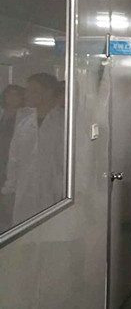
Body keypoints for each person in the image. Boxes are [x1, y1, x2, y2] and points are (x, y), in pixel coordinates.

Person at [2, 73, 65, 227]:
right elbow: (14, 160)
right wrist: (9, 190)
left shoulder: (64, 123)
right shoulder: (24, 124)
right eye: (28, 90)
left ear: (48, 93)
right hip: (25, 192)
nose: (27, 95)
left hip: (56, 193)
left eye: (33, 91)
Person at [0, 85, 25, 230]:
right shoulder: (3, 114)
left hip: (14, 158)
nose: (12, 98)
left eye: (15, 95)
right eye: (9, 95)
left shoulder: (25, 116)